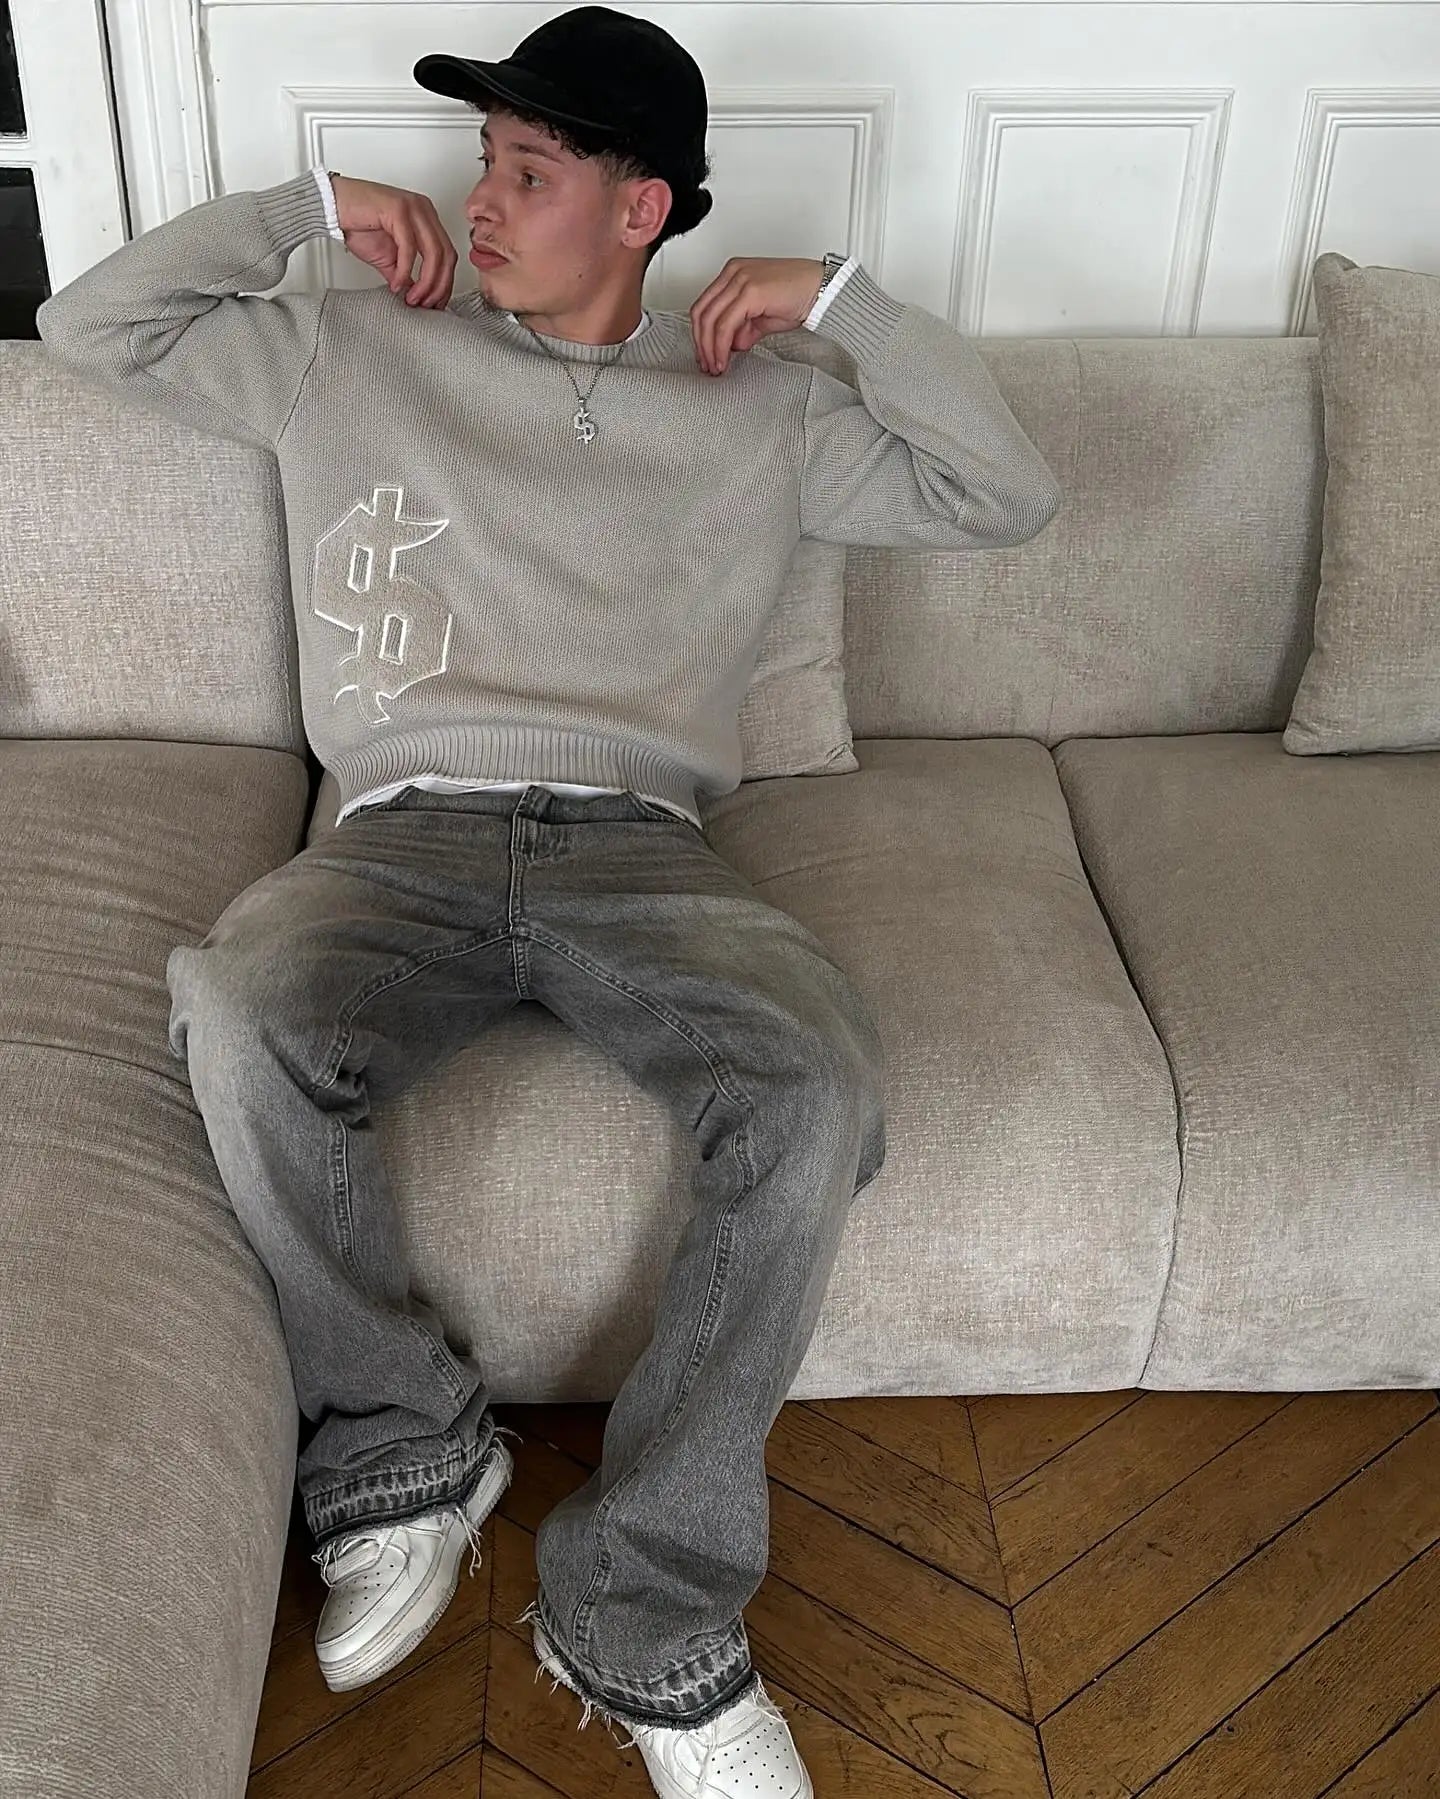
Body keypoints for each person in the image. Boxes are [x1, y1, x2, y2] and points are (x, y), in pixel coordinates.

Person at [34, 7, 1061, 1793]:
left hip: (645, 848)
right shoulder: (343, 347)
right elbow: (85, 326)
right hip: (401, 836)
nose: (478, 201)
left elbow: (1010, 494)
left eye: (528, 170)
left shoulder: (756, 418)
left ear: (645, 209)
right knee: (240, 1008)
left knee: (816, 1088)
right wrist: (298, 206)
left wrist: (840, 307)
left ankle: (649, 1614)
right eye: (480, 161)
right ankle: (404, 1451)